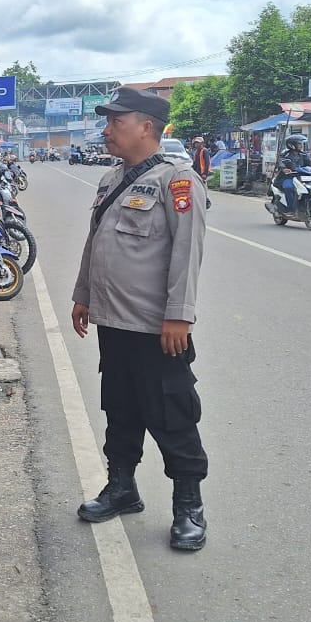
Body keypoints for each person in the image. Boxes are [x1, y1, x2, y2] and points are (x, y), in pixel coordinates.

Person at [70, 86, 209, 551]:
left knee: (172, 415)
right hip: (114, 323)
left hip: (157, 329)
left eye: (116, 122)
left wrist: (180, 316)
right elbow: (96, 243)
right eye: (107, 122)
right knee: (120, 410)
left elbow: (187, 255)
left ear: (146, 126)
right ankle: (122, 487)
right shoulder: (110, 181)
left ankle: (188, 504)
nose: (107, 130)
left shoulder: (178, 181)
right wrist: (83, 294)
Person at [275, 133, 311, 214]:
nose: (301, 145)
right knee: (288, 187)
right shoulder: (286, 154)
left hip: (302, 177)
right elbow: (280, 162)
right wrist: (284, 169)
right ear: (292, 145)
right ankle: (290, 209)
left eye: (301, 143)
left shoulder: (304, 154)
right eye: (299, 144)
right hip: (288, 177)